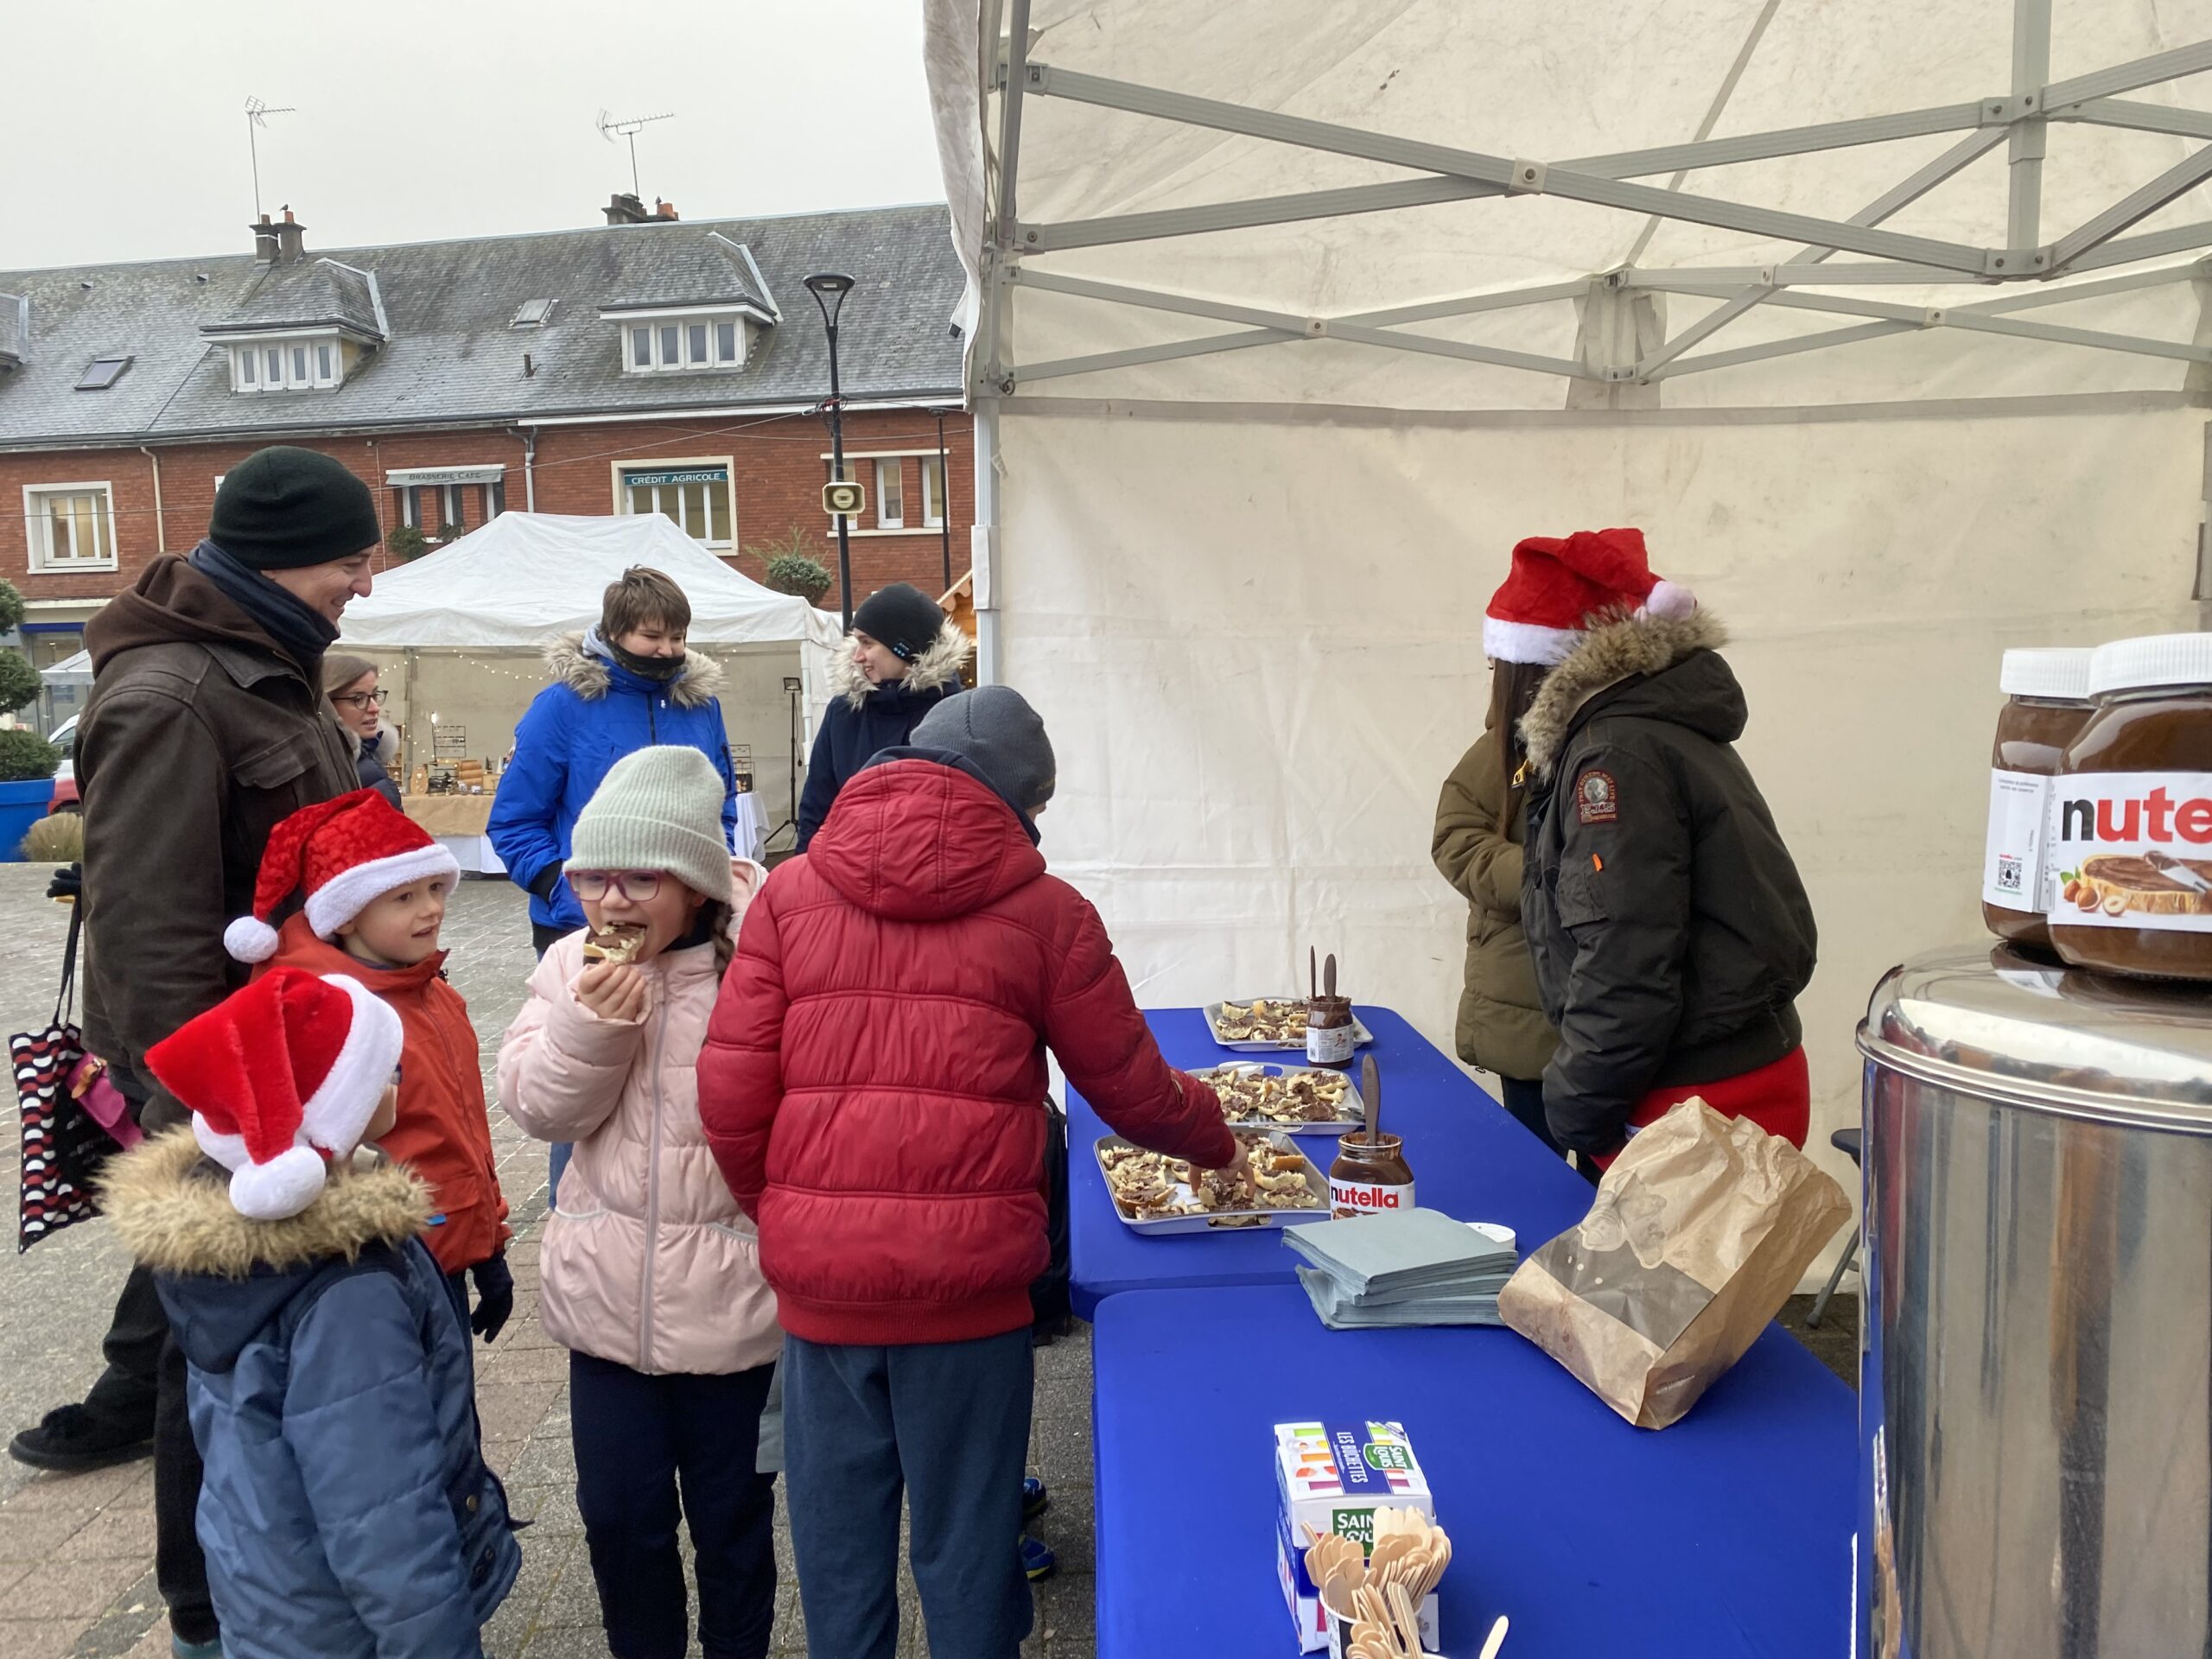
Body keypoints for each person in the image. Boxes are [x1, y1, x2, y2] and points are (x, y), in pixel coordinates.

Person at [700, 685, 1239, 1659]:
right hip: (970, 1296)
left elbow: (731, 1095)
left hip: (823, 1297)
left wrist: (789, 1218)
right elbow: (1128, 1090)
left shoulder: (787, 893)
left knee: (836, 1547)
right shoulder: (1046, 912)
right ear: (1019, 799)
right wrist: (1223, 1140)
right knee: (967, 1545)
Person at [7, 445, 372, 1657]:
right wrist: (216, 1126)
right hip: (226, 1095)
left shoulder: (268, 666)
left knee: (236, 1341)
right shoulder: (171, 695)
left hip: (292, 1074)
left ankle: (264, 1570)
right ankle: (205, 1608)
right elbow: (151, 936)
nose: (362, 584)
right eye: (349, 559)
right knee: (199, 1359)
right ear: (281, 558)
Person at [104, 968, 521, 1659]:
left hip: (272, 1598)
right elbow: (383, 1514)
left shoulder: (227, 1250)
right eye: (383, 1070)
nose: (399, 1077)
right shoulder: (348, 1289)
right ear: (328, 1114)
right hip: (351, 1625)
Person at [500, 747, 780, 1659]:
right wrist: (591, 1027)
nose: (613, 903)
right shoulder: (570, 967)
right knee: (620, 1524)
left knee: (734, 1522)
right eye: (595, 880)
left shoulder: (756, 973)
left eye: (641, 880)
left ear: (698, 886)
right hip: (607, 1307)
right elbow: (541, 1107)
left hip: (734, 1307)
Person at [1492, 528, 1817, 1171]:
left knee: (1659, 1277)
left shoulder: (1614, 757)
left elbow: (1625, 957)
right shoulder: (1654, 729)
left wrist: (1576, 1106)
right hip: (1728, 1074)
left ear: (1538, 667)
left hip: (1692, 1100)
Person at [487, 566, 738, 1205]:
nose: (670, 652)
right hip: (588, 928)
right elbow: (514, 822)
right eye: (655, 636)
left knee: (682, 1078)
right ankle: (577, 1212)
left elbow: (722, 808)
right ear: (615, 631)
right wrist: (573, 899)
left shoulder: (699, 705)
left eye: (679, 637)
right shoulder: (563, 707)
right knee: (583, 1070)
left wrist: (712, 886)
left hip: (690, 934)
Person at [224, 790, 512, 1341]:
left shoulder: (431, 993)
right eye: (403, 897)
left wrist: (488, 1244)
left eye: (435, 889)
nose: (431, 908)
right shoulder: (318, 1010)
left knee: (452, 1420)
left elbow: (462, 1131)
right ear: (346, 915)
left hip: (444, 1250)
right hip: (370, 1269)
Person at [1432, 658, 1564, 1157]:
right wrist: (1546, 879)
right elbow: (1456, 839)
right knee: (1537, 1166)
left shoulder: (1624, 742)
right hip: (1525, 997)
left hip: (1618, 1009)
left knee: (1615, 1187)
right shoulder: (1504, 755)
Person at [795, 582, 969, 851]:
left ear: (903, 647)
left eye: (867, 643)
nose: (857, 656)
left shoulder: (956, 713)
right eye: (856, 642)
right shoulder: (844, 711)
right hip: (847, 874)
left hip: (928, 881)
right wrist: (804, 875)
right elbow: (816, 806)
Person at [321, 652, 401, 807]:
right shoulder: (323, 769)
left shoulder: (369, 754)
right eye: (358, 699)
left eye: (375, 695)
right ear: (326, 703)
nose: (375, 708)